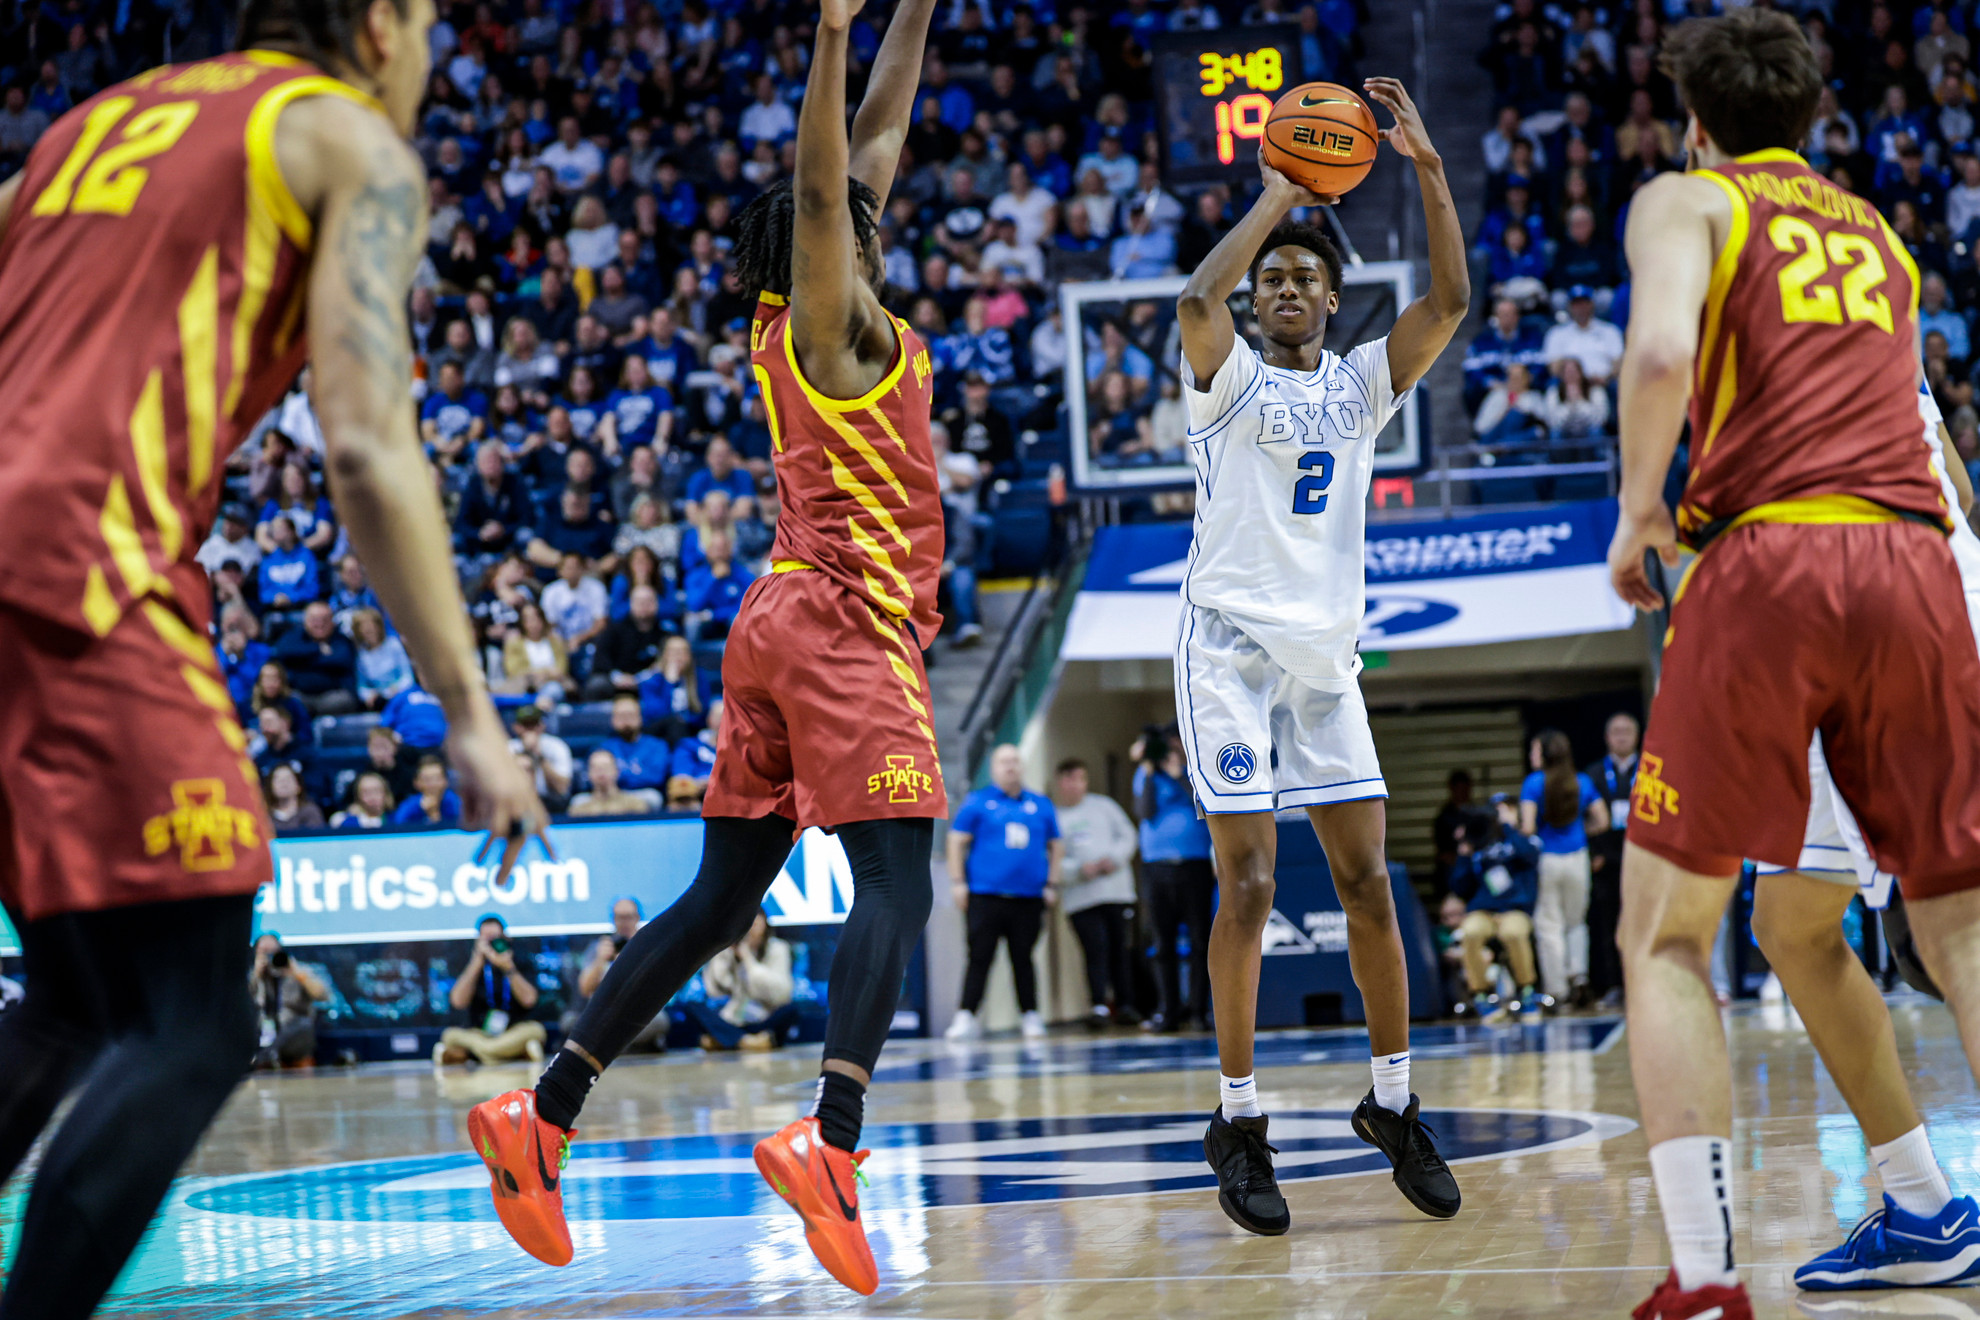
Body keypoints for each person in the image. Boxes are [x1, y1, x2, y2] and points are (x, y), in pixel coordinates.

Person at [0, 21, 546, 1320]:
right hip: (86, 565)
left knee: (81, 999)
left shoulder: (86, 131)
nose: (434, 45)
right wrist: (470, 713)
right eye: (424, 18)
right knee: (195, 1020)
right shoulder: (347, 140)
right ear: (374, 26)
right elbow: (363, 445)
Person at [470, 0, 952, 1293]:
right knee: (899, 882)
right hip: (851, 624)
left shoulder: (793, 324)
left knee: (721, 897)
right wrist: (833, 34)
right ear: (818, 250)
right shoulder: (831, 326)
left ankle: (545, 1110)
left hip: (777, 620)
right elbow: (825, 177)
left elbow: (877, 138)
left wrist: (906, 13)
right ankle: (833, 1137)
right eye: (849, 221)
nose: (869, 212)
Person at [1605, 14, 1980, 1318]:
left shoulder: (1688, 198)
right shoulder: (1881, 235)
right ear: (1821, 121)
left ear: (1692, 123)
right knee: (1950, 919)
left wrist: (1637, 508)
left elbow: (1657, 354)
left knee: (1668, 934)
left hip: (1774, 564)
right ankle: (1926, 1201)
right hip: (1924, 565)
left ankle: (1706, 1281)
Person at [1171, 76, 1468, 1236]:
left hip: (1326, 666)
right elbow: (1200, 293)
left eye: (1308, 278)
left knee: (1368, 890)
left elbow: (1449, 296)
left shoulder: (1360, 387)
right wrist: (1277, 198)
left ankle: (1393, 1104)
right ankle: (1239, 1121)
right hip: (1228, 656)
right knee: (1246, 885)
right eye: (1274, 280)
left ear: (1336, 304)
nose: (1287, 287)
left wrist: (1428, 168)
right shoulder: (1227, 381)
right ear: (1260, 304)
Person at [942, 745, 1062, 1041]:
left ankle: (1030, 1015)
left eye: (1015, 761)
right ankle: (966, 1015)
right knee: (980, 956)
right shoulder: (978, 802)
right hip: (985, 895)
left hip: (1028, 897)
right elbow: (956, 841)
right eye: (1004, 762)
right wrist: (958, 882)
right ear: (994, 768)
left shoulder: (1040, 804)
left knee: (1024, 958)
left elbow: (1056, 845)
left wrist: (1052, 883)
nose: (1010, 767)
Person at [1134, 727, 1215, 1033]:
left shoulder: (1195, 772)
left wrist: (1178, 773)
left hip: (1194, 866)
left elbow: (1204, 805)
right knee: (1162, 943)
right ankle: (1168, 1011)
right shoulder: (1146, 775)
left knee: (1200, 941)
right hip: (1156, 868)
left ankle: (1198, 1011)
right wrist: (1150, 771)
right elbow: (1145, 811)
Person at [1519, 730, 1608, 1009]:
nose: (1531, 756)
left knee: (1549, 925)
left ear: (1545, 754)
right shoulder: (1581, 781)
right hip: (1578, 857)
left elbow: (1529, 827)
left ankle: (1557, 990)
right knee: (1576, 922)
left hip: (1548, 859)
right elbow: (1602, 821)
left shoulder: (1534, 783)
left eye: (1535, 750)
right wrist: (1582, 831)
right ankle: (1579, 977)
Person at [1052, 757, 1140, 1029]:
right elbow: (1051, 857)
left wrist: (1112, 859)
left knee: (1120, 950)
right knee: (1094, 951)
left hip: (1115, 893)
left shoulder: (1104, 807)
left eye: (1080, 778)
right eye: (1069, 779)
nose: (1075, 785)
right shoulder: (1055, 817)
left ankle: (1126, 1004)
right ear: (1060, 783)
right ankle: (1099, 1005)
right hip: (1081, 898)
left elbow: (1128, 836)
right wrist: (1078, 869)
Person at [1447, 794, 1541, 1022]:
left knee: (1513, 933)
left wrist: (1509, 827)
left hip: (1514, 909)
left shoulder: (1518, 839)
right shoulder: (1478, 841)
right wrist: (1463, 855)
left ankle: (1526, 991)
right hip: (1483, 911)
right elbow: (1459, 887)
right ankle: (1480, 994)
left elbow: (1531, 857)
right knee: (1469, 932)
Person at [680, 910, 802, 1050]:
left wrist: (748, 958)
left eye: (755, 923)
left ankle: (723, 1040)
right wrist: (722, 953)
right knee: (692, 1007)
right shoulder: (729, 949)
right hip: (732, 1020)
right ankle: (746, 1041)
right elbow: (715, 991)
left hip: (763, 1018)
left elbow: (780, 994)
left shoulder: (777, 948)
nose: (750, 928)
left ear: (765, 925)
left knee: (791, 1010)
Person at [436, 914, 548, 1066]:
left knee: (536, 1030)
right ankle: (509, 1054)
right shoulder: (470, 960)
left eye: (495, 939)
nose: (491, 944)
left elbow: (529, 1000)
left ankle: (478, 1055)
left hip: (513, 1030)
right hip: (479, 1032)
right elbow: (458, 1001)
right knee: (450, 1035)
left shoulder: (520, 958)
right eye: (486, 940)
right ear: (478, 941)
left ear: (506, 939)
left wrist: (509, 968)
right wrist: (476, 962)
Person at [1584, 712, 1638, 1001]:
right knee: (1609, 925)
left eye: (1627, 731)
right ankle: (1614, 985)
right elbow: (1585, 820)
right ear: (1607, 737)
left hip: (1641, 862)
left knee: (1641, 924)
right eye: (1616, 731)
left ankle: (1642, 983)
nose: (1621, 736)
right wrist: (1595, 854)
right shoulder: (1593, 774)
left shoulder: (1650, 770)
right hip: (1607, 863)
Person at [574, 898, 666, 1048]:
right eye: (619, 917)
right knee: (574, 1022)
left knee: (659, 1021)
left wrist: (626, 962)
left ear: (637, 918)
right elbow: (584, 989)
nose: (624, 923)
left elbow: (658, 988)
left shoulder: (648, 947)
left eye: (628, 917)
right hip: (604, 1014)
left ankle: (610, 1044)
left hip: (639, 1014)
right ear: (613, 919)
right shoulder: (600, 947)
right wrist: (600, 960)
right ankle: (616, 1043)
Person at [249, 932, 330, 1069]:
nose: (269, 957)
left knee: (302, 1023)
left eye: (273, 952)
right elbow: (236, 1001)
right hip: (259, 1032)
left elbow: (322, 995)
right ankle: (267, 1054)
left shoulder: (298, 971)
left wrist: (297, 973)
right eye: (264, 952)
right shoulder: (251, 975)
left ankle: (267, 1055)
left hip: (293, 1035)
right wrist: (256, 975)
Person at [509, 705, 573, 809]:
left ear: (542, 726)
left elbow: (562, 788)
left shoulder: (557, 746)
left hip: (550, 801)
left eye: (534, 725)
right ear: (516, 727)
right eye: (525, 725)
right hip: (517, 801)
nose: (530, 730)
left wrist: (539, 755)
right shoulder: (508, 749)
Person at [568, 748, 654, 817]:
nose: (601, 772)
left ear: (617, 771)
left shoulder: (635, 805)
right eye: (596, 768)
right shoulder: (579, 811)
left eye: (606, 767)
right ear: (588, 774)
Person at [393, 756, 463, 825]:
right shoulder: (408, 807)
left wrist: (433, 814)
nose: (433, 784)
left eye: (437, 779)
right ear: (416, 783)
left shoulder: (456, 803)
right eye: (427, 780)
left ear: (446, 781)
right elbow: (398, 827)